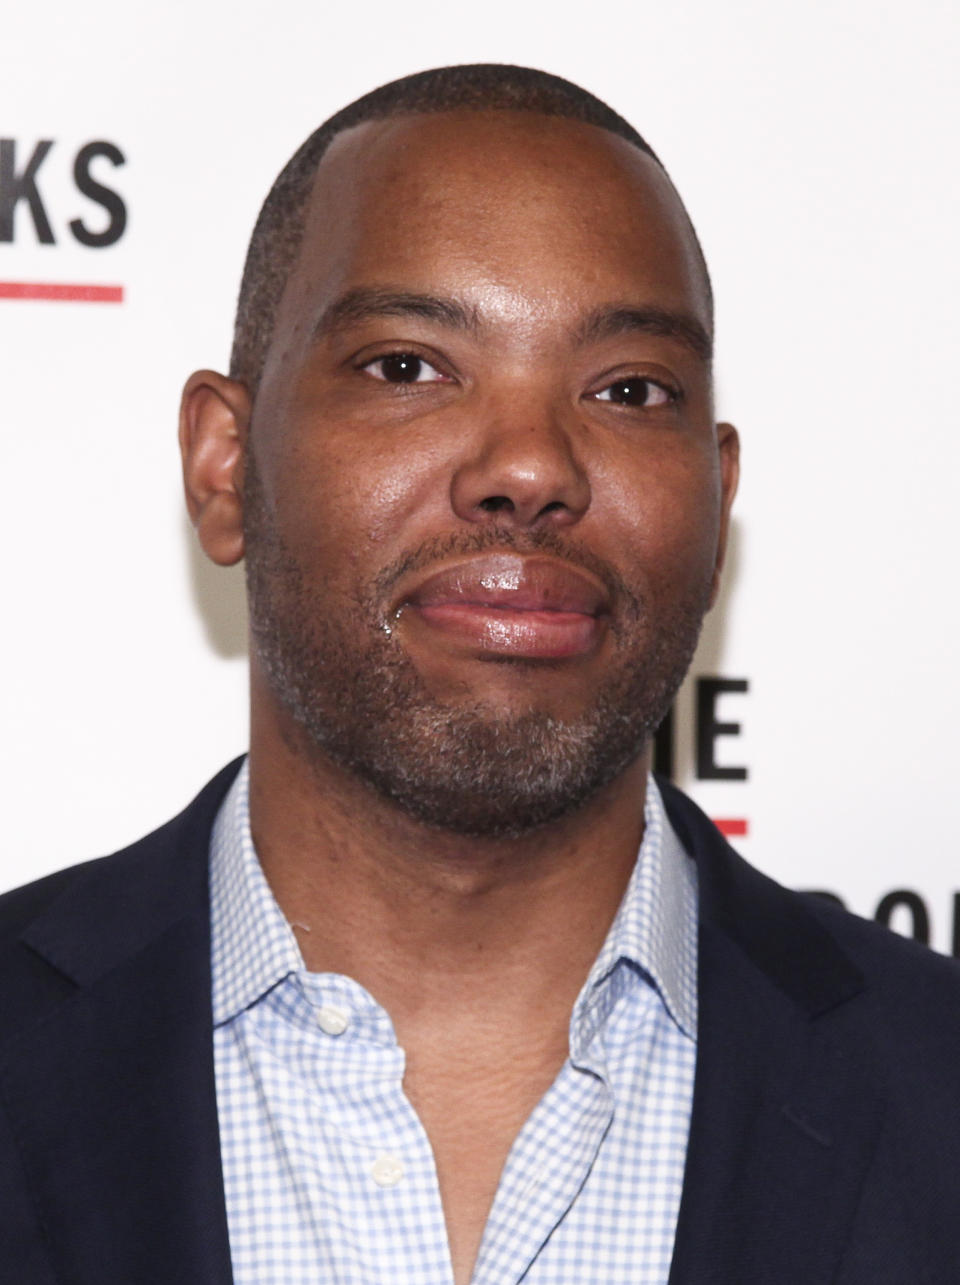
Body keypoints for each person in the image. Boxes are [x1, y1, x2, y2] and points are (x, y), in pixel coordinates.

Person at [1, 63, 958, 1285]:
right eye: (409, 366)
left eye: (627, 389)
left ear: (717, 504)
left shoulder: (937, 1091)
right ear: (225, 465)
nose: (528, 464)